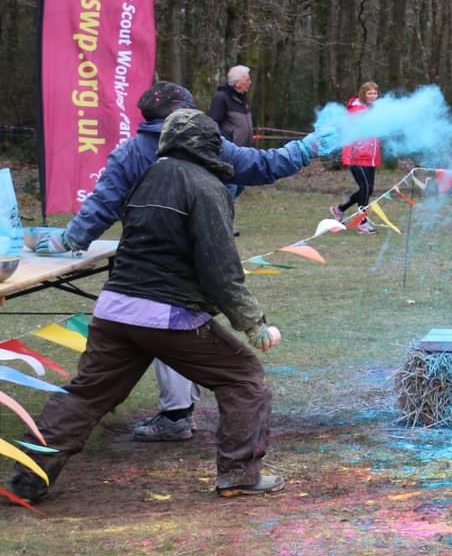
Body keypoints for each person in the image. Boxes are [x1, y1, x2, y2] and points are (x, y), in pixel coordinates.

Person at [8, 109, 285, 502]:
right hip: (167, 315)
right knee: (243, 379)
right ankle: (239, 475)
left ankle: (25, 481)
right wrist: (254, 324)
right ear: (208, 145)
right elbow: (220, 268)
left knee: (85, 396)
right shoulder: (206, 187)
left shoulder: (145, 179)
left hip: (115, 310)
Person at [34, 81, 332, 442]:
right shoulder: (208, 166)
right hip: (172, 291)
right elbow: (262, 170)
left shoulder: (130, 153)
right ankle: (228, 461)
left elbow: (100, 206)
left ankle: (28, 474)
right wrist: (306, 149)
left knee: (86, 394)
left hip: (121, 293)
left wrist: (71, 238)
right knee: (238, 375)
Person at [329, 81, 382, 235]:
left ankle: (340, 209)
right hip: (356, 155)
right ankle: (362, 222)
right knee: (365, 188)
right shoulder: (357, 109)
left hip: (370, 156)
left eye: (375, 93)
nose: (373, 96)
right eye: (369, 93)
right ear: (363, 94)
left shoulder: (376, 110)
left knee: (368, 189)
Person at [210, 64, 255, 200]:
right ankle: (222, 218)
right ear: (237, 83)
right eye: (247, 80)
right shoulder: (221, 98)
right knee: (230, 188)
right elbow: (213, 124)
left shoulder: (242, 100)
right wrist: (225, 143)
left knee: (240, 186)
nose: (250, 83)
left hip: (243, 155)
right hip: (227, 155)